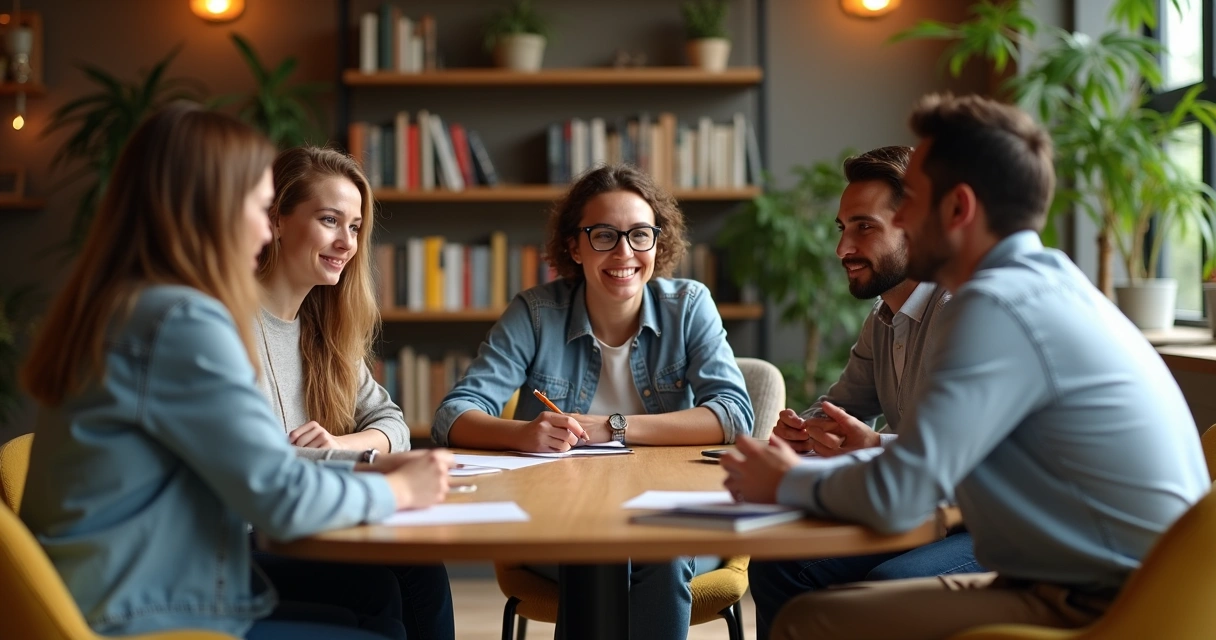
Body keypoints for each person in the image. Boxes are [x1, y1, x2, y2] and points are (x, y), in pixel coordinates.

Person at [721, 93, 1210, 639]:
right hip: (1085, 580)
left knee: (813, 621)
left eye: (912, 201)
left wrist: (786, 482)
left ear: (958, 209)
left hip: (1114, 605)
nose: (901, 218)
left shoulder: (994, 303)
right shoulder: (1041, 283)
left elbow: (902, 494)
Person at [19, 102, 453, 640]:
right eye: (258, 207)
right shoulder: (179, 321)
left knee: (377, 597)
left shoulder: (130, 303)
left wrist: (361, 461)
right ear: (210, 208)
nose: (264, 229)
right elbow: (278, 496)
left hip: (129, 586)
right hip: (145, 611)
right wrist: (399, 490)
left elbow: (263, 470)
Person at [433, 164, 755, 639]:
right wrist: (523, 433)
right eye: (603, 235)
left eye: (640, 235)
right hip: (562, 521)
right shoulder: (536, 313)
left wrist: (613, 426)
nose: (624, 252)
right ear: (574, 246)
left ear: (656, 242)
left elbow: (732, 414)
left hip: (673, 519)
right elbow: (452, 415)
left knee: (660, 556)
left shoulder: (689, 304)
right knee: (598, 556)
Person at [747, 145, 981, 639]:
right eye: (842, 228)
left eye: (865, 227)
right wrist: (805, 429)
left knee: (884, 588)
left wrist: (875, 445)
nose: (842, 249)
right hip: (932, 511)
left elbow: (974, 454)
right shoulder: (883, 319)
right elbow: (843, 405)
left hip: (1001, 524)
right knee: (779, 565)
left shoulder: (966, 310)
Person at [252, 145, 454, 639]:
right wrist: (378, 469)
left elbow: (393, 425)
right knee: (379, 592)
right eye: (329, 220)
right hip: (246, 543)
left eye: (356, 227)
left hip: (301, 526)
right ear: (275, 220)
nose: (347, 242)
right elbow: (262, 466)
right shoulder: (228, 326)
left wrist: (341, 444)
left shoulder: (321, 332)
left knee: (419, 568)